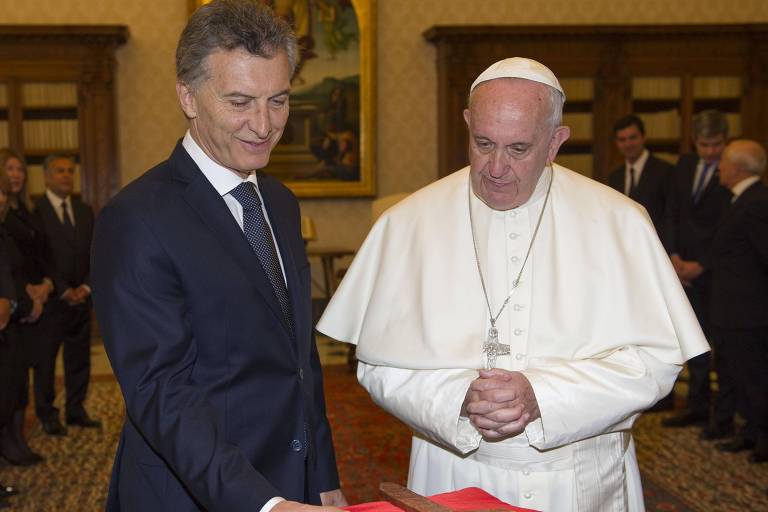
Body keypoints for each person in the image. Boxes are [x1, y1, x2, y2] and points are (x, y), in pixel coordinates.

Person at [317, 57, 709, 511]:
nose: (497, 167)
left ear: (555, 142)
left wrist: (541, 396)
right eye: (483, 143)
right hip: (453, 469)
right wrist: (457, 398)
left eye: (519, 149)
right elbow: (378, 365)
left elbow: (656, 361)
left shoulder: (619, 221)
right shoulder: (408, 224)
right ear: (467, 124)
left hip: (580, 480)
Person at [91, 1, 345, 510]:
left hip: (290, 482)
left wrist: (322, 476)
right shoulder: (137, 219)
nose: (264, 124)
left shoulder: (279, 202)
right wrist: (262, 503)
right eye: (239, 102)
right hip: (193, 491)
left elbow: (301, 362)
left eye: (278, 100)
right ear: (188, 96)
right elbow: (163, 392)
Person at [675, 139, 768, 463]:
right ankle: (751, 432)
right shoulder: (738, 199)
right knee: (736, 375)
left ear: (740, 167)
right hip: (731, 308)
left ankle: (763, 437)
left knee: (753, 377)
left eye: (725, 163)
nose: (720, 170)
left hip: (748, 311)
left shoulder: (756, 202)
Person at [662, 110, 733, 435]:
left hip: (714, 272)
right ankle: (696, 404)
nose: (709, 152)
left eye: (715, 144)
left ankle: (721, 411)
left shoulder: (733, 167)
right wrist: (674, 256)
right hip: (680, 265)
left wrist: (701, 264)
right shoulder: (686, 165)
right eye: (704, 145)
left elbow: (727, 226)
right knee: (690, 340)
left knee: (716, 343)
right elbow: (673, 212)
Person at [34, 154, 100, 433]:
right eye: (59, 171)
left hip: (82, 299)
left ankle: (75, 409)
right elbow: (38, 258)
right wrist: (62, 290)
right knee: (46, 362)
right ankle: (47, 414)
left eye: (70, 171)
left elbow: (95, 252)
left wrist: (85, 287)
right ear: (47, 176)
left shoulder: (84, 210)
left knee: (79, 358)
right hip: (52, 301)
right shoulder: (35, 212)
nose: (66, 176)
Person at [0, 148, 51, 461]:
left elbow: (39, 255)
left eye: (20, 169)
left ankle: (14, 442)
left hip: (20, 305)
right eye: (10, 169)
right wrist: (21, 295)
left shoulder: (24, 211)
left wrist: (45, 285)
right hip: (13, 305)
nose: (16, 174)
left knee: (17, 382)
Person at [607, 114, 673, 242]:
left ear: (643, 137)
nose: (628, 144)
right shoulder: (614, 177)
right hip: (624, 243)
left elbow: (671, 216)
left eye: (632, 138)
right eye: (622, 139)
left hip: (656, 244)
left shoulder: (665, 171)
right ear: (616, 143)